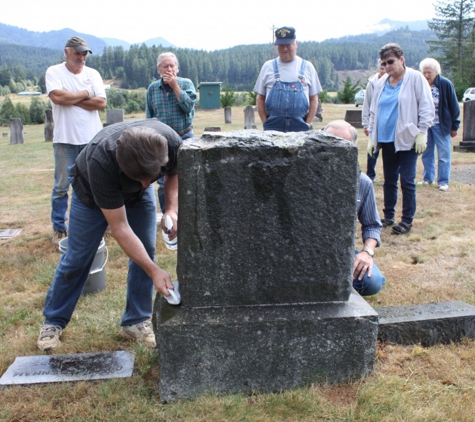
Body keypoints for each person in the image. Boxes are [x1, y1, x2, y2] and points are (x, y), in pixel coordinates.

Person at [37, 119, 181, 351]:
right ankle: (53, 321)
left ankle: (136, 321)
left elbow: (173, 172)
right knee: (78, 257)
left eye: (151, 177)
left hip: (133, 196)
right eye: (140, 178)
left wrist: (171, 209)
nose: (147, 185)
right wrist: (154, 271)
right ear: (123, 166)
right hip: (91, 196)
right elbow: (120, 227)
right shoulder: (100, 160)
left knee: (146, 249)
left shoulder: (170, 140)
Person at [367, 43, 434, 235]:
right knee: (389, 180)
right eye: (384, 63)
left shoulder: (415, 78)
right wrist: (372, 136)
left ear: (401, 60)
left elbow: (426, 107)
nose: (387, 66)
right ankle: (388, 216)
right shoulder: (381, 83)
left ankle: (406, 220)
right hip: (387, 139)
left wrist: (422, 132)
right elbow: (374, 111)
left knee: (407, 180)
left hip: (408, 139)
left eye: (391, 62)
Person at [46, 36, 107, 245]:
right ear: (66, 52)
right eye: (78, 53)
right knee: (62, 186)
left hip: (92, 140)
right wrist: (85, 94)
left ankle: (98, 225)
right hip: (65, 139)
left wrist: (71, 98)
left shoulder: (93, 74)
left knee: (95, 184)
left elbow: (101, 103)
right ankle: (59, 228)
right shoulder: (54, 72)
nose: (81, 57)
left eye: (84, 54)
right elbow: (57, 98)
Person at [323, 120, 386, 296]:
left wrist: (367, 253)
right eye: (329, 142)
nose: (335, 150)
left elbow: (372, 225)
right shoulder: (303, 176)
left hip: (340, 252)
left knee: (372, 283)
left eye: (342, 144)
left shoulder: (362, 183)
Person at [146, 52, 196, 213]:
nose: (169, 69)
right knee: (162, 181)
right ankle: (169, 217)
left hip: (184, 136)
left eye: (172, 66)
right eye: (165, 66)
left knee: (187, 178)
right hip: (161, 140)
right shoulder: (153, 89)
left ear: (177, 68)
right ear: (158, 69)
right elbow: (149, 117)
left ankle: (188, 214)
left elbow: (188, 107)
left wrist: (175, 86)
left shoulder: (186, 84)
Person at [253, 26, 322, 132]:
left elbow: (314, 99)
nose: (285, 49)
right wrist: (265, 122)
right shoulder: (268, 66)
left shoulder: (308, 67)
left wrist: (307, 124)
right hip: (272, 129)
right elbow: (260, 98)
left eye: (288, 44)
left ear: (296, 43)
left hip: (300, 130)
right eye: (281, 45)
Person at [418, 58, 460, 192]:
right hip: (426, 125)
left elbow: (454, 106)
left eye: (429, 72)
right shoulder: (422, 85)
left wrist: (455, 126)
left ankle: (443, 181)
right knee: (426, 153)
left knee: (444, 154)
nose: (426, 75)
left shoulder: (445, 84)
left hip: (441, 125)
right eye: (424, 72)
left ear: (436, 71)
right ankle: (427, 179)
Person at [362, 60, 386, 182]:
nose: (384, 71)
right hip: (374, 121)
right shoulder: (372, 83)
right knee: (372, 150)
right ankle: (370, 175)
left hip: (387, 122)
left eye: (385, 68)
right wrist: (366, 124)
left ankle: (390, 176)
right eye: (381, 68)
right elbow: (366, 105)